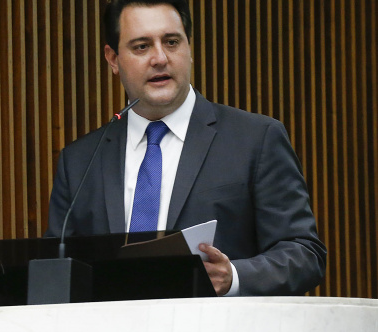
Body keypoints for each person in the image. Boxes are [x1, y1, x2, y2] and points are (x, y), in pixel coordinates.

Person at [47, 0, 326, 296]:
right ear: (113, 59)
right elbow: (56, 268)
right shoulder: (80, 161)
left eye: (171, 42)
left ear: (189, 49)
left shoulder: (255, 139)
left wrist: (233, 276)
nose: (160, 58)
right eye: (141, 46)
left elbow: (304, 253)